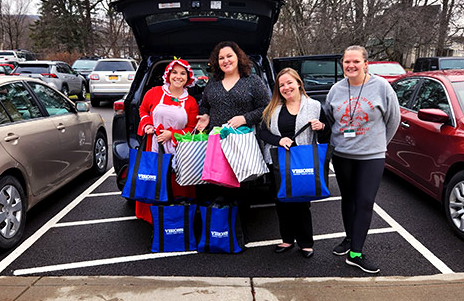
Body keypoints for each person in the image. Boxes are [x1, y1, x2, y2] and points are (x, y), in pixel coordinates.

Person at [324, 45, 400, 274]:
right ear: (342, 64)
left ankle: (356, 253)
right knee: (348, 199)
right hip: (343, 155)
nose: (351, 65)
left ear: (366, 64)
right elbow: (329, 117)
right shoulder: (336, 90)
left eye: (356, 61)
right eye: (347, 62)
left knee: (365, 201)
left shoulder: (382, 87)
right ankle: (349, 239)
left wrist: (378, 145)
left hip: (371, 157)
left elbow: (393, 120)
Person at [195, 41, 270, 232]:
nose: (225, 60)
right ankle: (222, 230)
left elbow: (266, 108)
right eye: (221, 58)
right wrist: (204, 116)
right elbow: (205, 105)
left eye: (229, 56)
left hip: (242, 143)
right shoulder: (213, 82)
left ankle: (240, 231)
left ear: (238, 58)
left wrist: (245, 118)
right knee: (220, 185)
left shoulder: (252, 81)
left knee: (242, 186)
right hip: (218, 143)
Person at [259, 68, 329, 258]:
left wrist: (321, 127)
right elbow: (262, 133)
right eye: (281, 85)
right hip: (279, 162)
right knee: (282, 202)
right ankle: (287, 239)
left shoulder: (314, 106)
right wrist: (279, 140)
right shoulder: (272, 108)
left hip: (303, 161)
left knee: (301, 203)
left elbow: (326, 133)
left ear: (299, 83)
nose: (286, 87)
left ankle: (306, 242)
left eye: (289, 82)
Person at [135, 58, 199, 223]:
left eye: (182, 73)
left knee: (177, 185)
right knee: (154, 182)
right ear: (168, 75)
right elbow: (142, 110)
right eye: (175, 72)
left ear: (188, 77)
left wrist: (172, 134)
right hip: (154, 146)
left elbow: (191, 128)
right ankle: (153, 217)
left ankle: (177, 217)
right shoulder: (154, 92)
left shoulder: (190, 102)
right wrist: (147, 124)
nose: (178, 76)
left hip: (180, 151)